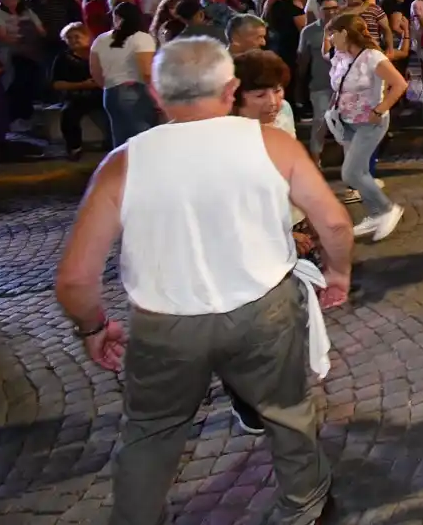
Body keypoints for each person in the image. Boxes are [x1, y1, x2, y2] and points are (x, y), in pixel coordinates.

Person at [53, 37, 353, 525]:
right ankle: (306, 508)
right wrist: (338, 273)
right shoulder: (272, 144)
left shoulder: (123, 164)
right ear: (231, 88)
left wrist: (93, 326)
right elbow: (335, 224)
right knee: (286, 411)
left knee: (150, 432)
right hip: (263, 309)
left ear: (156, 94)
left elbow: (74, 280)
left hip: (164, 323)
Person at [327, 11, 409, 242]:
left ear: (345, 33)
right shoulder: (341, 56)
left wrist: (379, 109)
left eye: (333, 33)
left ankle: (387, 208)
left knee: (350, 172)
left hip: (370, 123)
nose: (331, 38)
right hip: (347, 121)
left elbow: (399, 84)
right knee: (360, 172)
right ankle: (374, 214)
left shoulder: (372, 56)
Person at [90, 3, 158, 148]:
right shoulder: (142, 38)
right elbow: (146, 72)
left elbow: (95, 71)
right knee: (142, 139)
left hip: (110, 92)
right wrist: (156, 95)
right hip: (135, 90)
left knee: (120, 140)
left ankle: (123, 170)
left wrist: (108, 84)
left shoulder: (101, 39)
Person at [0, 0, 46, 133]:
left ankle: (26, 116)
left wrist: (32, 38)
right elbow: (1, 36)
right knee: (14, 85)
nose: (10, 0)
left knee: (28, 85)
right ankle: (13, 118)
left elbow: (41, 30)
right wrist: (23, 39)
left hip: (30, 54)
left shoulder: (27, 12)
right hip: (10, 55)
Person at [296, 0, 342, 165]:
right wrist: (300, 85)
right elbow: (303, 60)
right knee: (320, 121)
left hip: (344, 84)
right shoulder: (309, 32)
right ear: (319, 10)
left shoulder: (346, 29)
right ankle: (315, 158)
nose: (331, 12)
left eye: (334, 8)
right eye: (326, 9)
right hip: (320, 83)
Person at [52, 23, 106, 160]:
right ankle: (75, 148)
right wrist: (82, 85)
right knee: (69, 115)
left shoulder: (99, 54)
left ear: (87, 37)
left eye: (77, 37)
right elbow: (57, 84)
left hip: (101, 94)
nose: (73, 40)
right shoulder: (62, 58)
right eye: (69, 38)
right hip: (76, 96)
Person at [263, 0, 307, 74]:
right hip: (291, 48)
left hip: (274, 44)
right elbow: (303, 29)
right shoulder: (295, 4)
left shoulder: (271, 2)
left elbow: (264, 18)